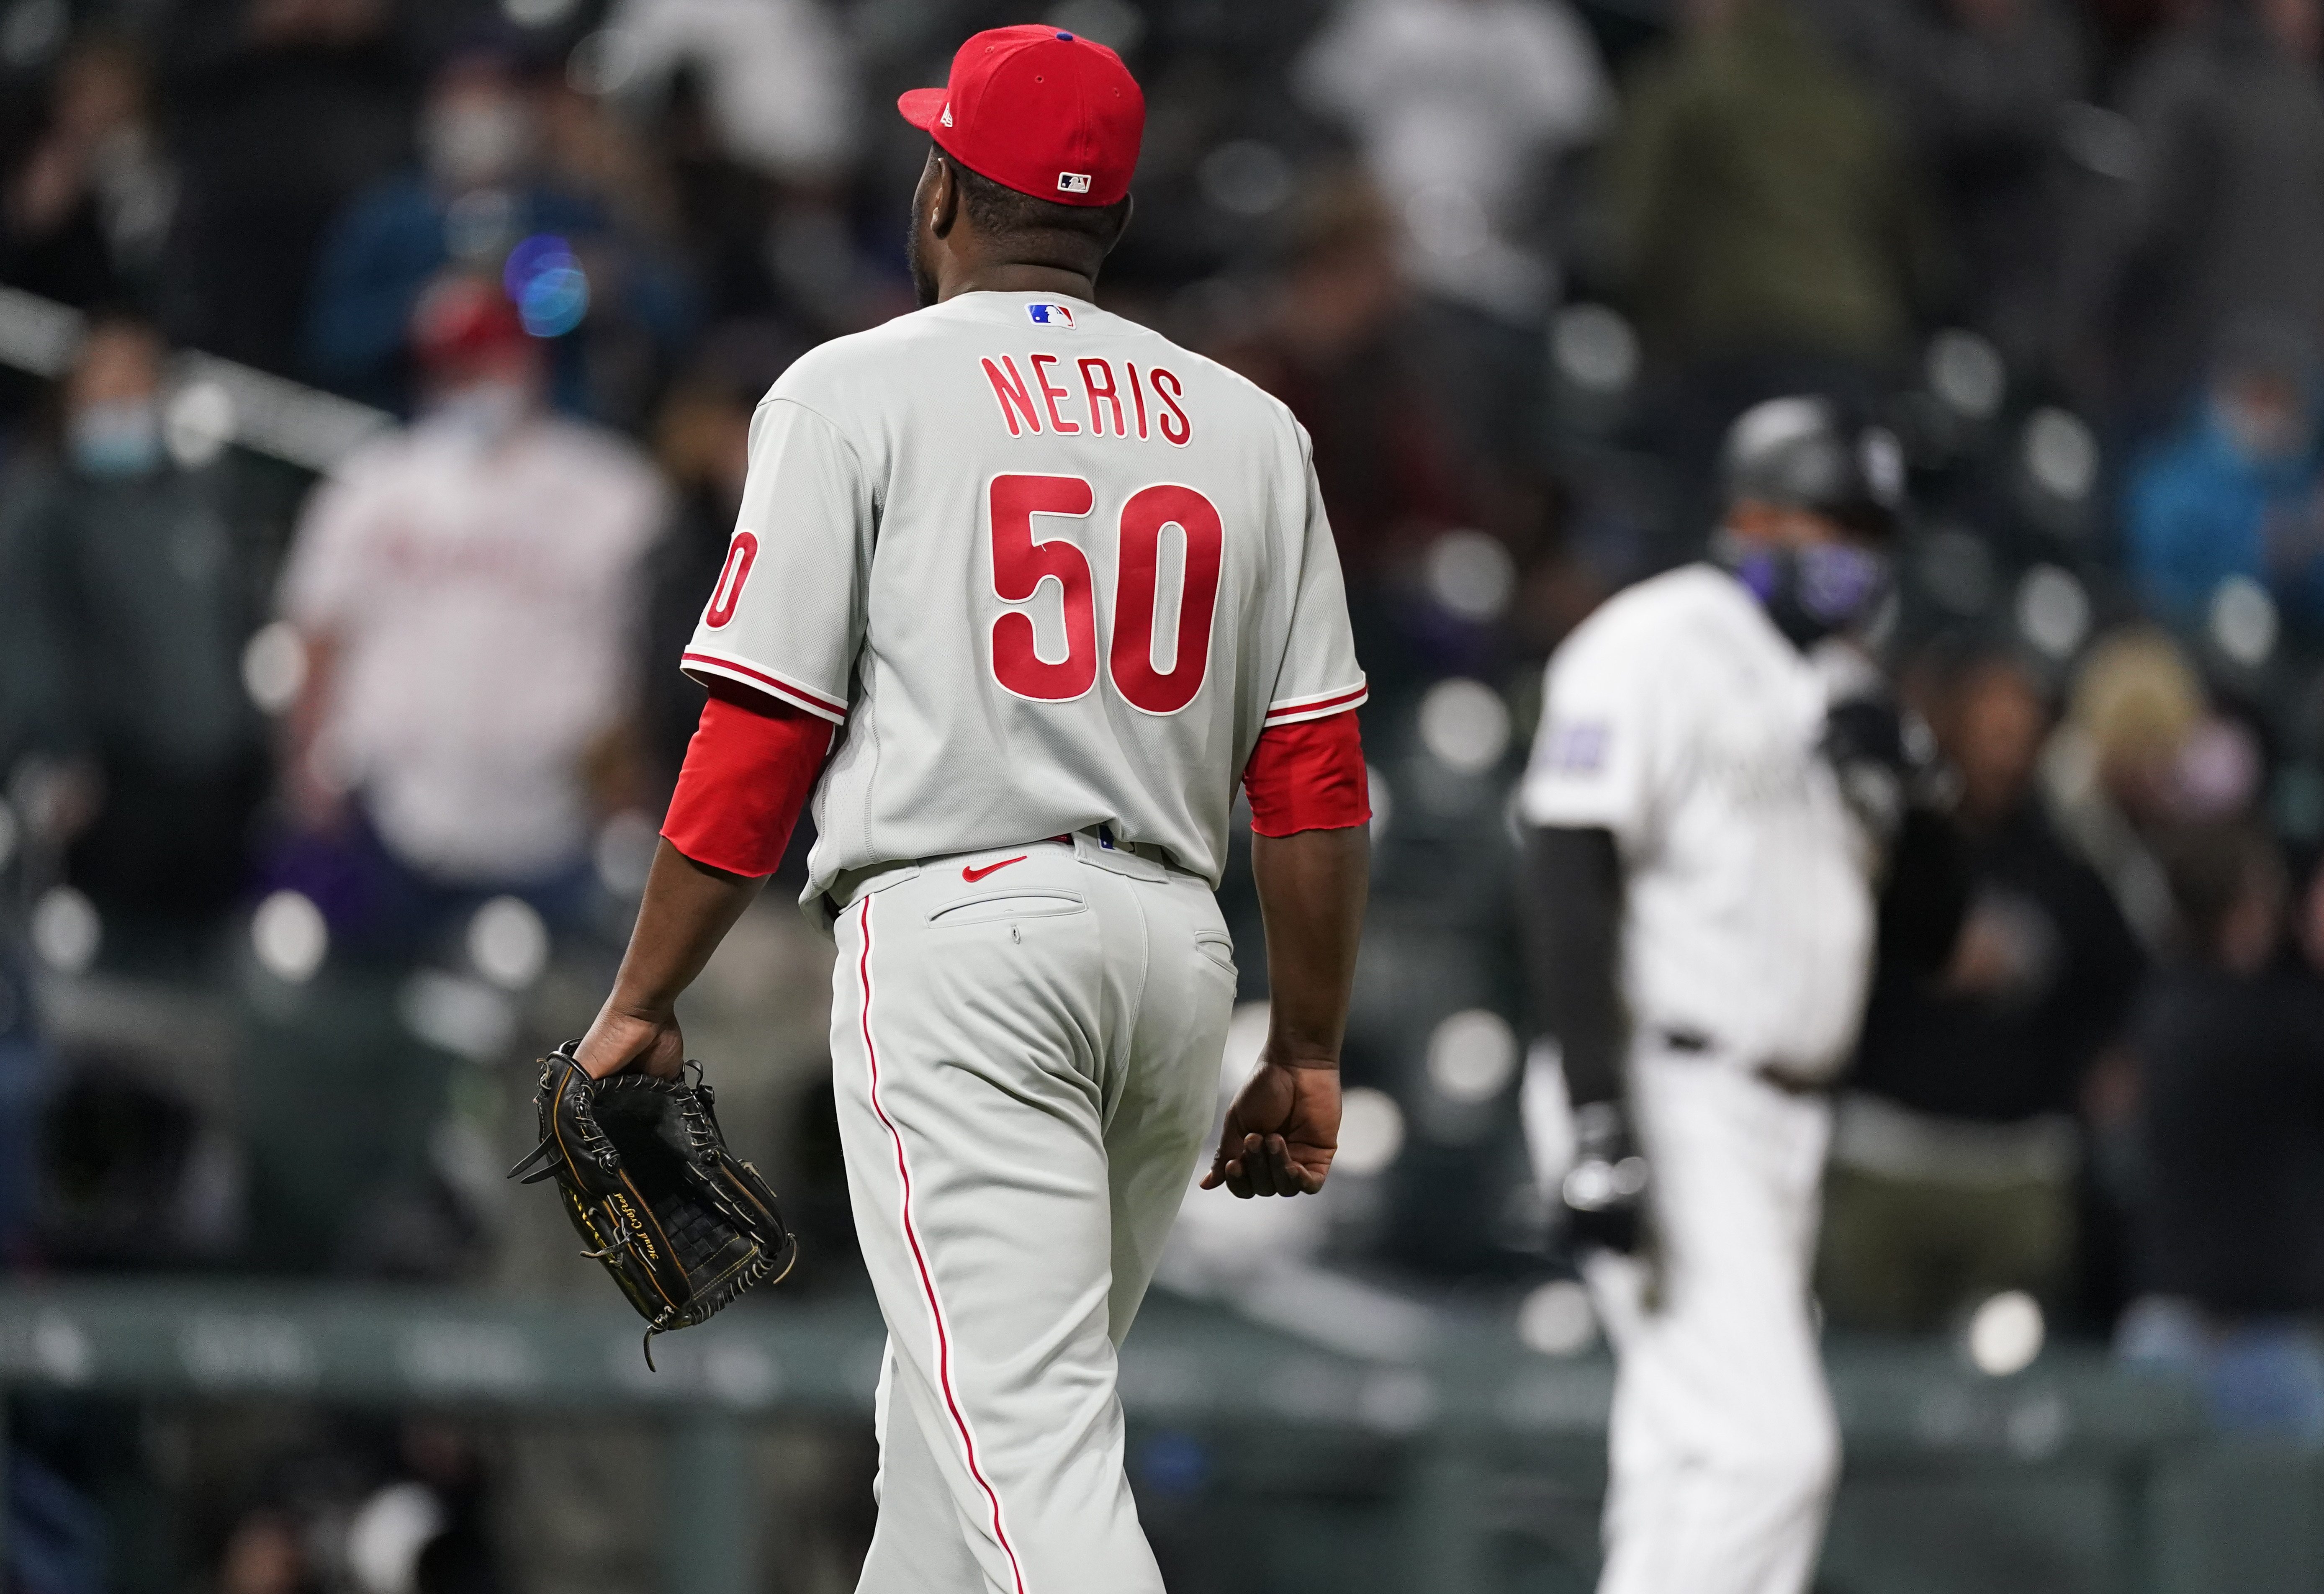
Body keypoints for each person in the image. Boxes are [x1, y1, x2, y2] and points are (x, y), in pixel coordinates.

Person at [568, 27, 1373, 1592]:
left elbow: (758, 733)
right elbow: (1313, 780)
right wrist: (1311, 1044)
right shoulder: (1248, 427)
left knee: (1026, 1453)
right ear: (1112, 224)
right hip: (1170, 964)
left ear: (939, 191)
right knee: (947, 1450)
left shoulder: (851, 388)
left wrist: (642, 996)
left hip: (965, 944)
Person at [1518, 396, 1946, 1594]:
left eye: (1871, 530)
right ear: (1747, 518)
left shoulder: (1851, 692)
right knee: (1772, 1452)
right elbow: (1566, 865)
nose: (1852, 551)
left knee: (1687, 1459)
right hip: (1665, 1087)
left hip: (1785, 1121)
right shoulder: (1657, 642)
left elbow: (1932, 935)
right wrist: (1600, 1117)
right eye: (1827, 521)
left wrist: (1921, 798)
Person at [273, 273, 665, 952]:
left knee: (557, 1043)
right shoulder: (375, 482)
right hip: (389, 822)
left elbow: (656, 659)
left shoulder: (614, 491)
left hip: (557, 827)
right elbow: (319, 633)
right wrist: (307, 777)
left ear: (529, 360)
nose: (468, 383)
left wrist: (633, 798)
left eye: (484, 360)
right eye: (450, 366)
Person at [1820, 637, 2146, 1333]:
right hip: (1885, 1163)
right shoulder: (1887, 851)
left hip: (2016, 1170)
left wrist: (2109, 1062)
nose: (2008, 752)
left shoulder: (2069, 868)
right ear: (1950, 725)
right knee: (1869, 1383)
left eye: (2024, 735)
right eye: (1993, 730)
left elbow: (2124, 990)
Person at [2118, 823, 2324, 1444]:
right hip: (2251, 1334)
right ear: (2248, 907)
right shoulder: (2272, 1026)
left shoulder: (2158, 1005)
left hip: (2179, 1313)